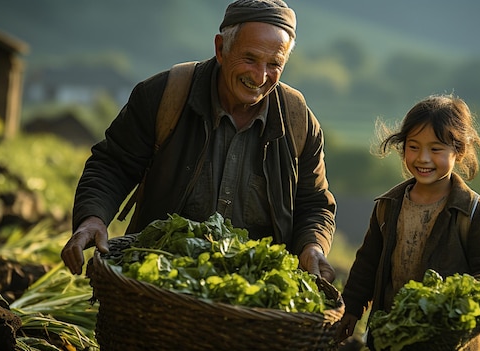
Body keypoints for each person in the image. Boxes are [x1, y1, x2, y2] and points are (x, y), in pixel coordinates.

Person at [60, 0, 336, 283]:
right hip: (157, 279)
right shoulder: (165, 96)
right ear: (220, 49)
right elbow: (113, 165)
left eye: (274, 64)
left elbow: (314, 203)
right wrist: (92, 218)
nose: (260, 76)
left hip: (252, 294)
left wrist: (312, 245)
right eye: (250, 58)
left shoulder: (298, 122)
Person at [335, 94, 480, 350]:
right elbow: (367, 263)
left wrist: (455, 295)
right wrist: (350, 308)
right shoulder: (389, 205)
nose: (423, 158)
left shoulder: (475, 213)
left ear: (458, 151)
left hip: (446, 343)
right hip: (390, 336)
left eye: (436, 149)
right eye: (414, 147)